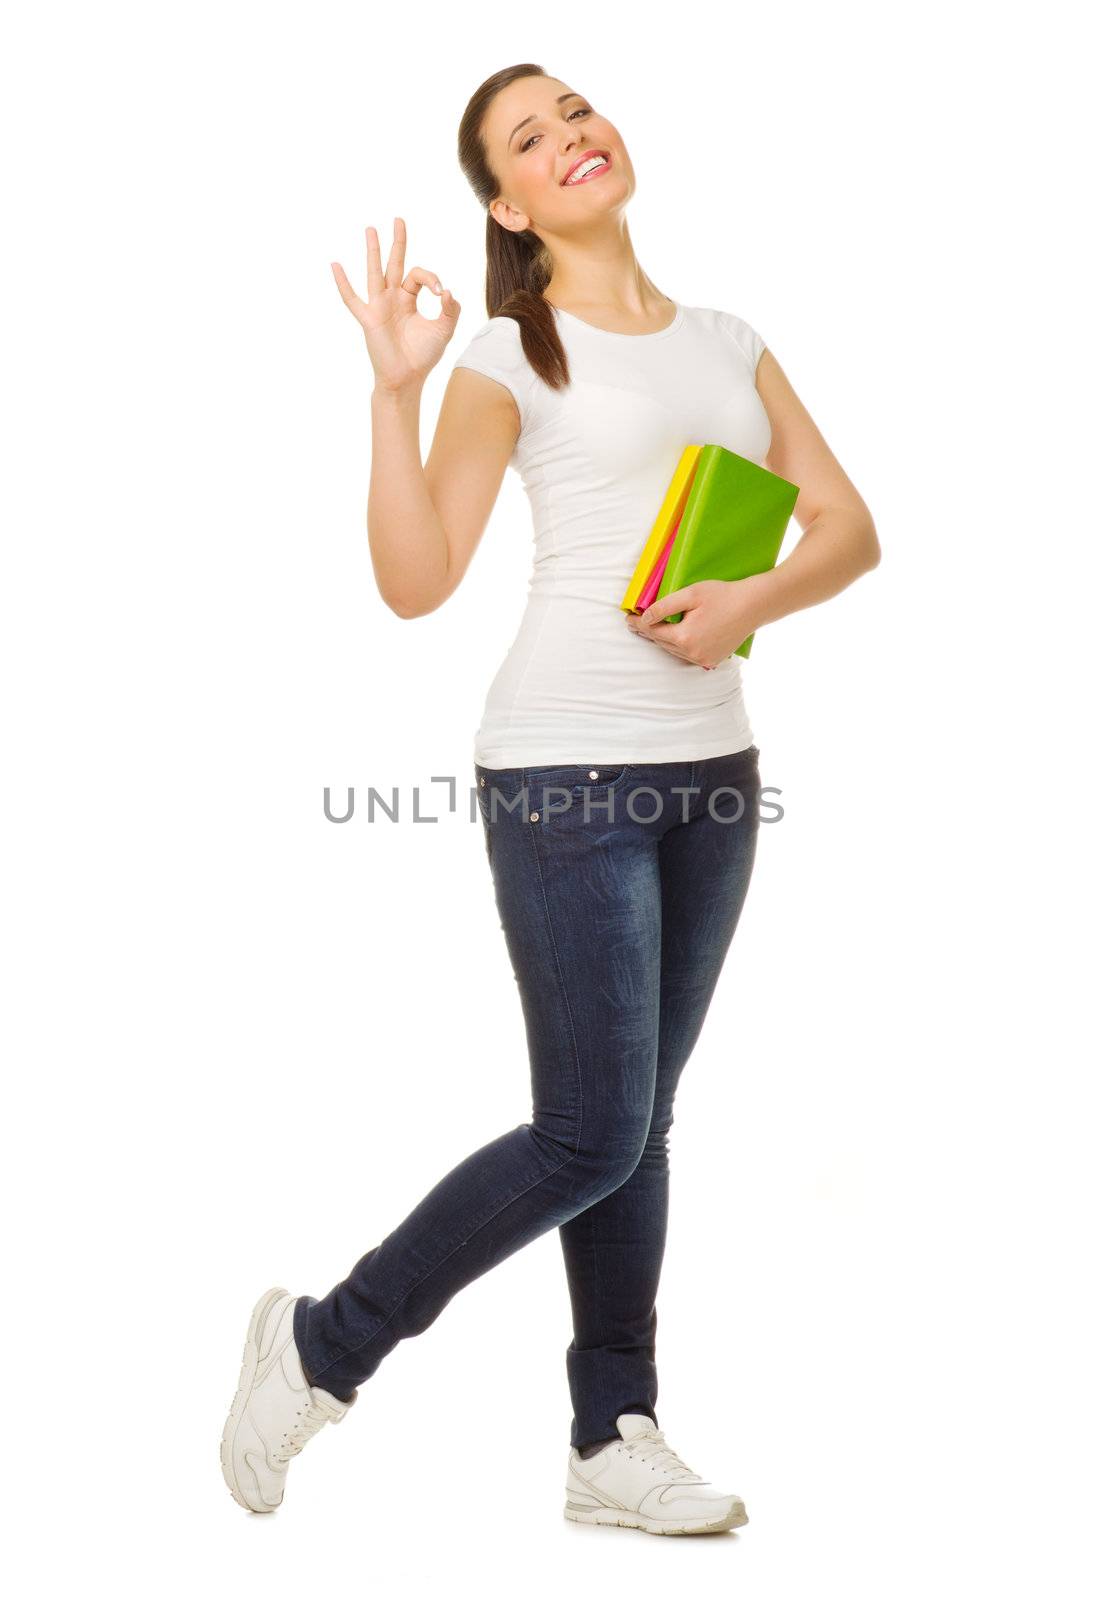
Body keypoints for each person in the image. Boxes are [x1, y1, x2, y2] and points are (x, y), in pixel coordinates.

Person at [220, 63, 880, 1535]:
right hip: (561, 773)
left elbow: (849, 528)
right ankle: (320, 1349)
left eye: (577, 109)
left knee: (639, 1125)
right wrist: (393, 397)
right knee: (590, 1130)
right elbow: (415, 580)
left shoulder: (728, 341)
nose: (571, 135)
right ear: (509, 204)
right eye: (530, 138)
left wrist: (746, 601)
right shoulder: (514, 357)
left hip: (713, 768)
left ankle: (611, 1435)